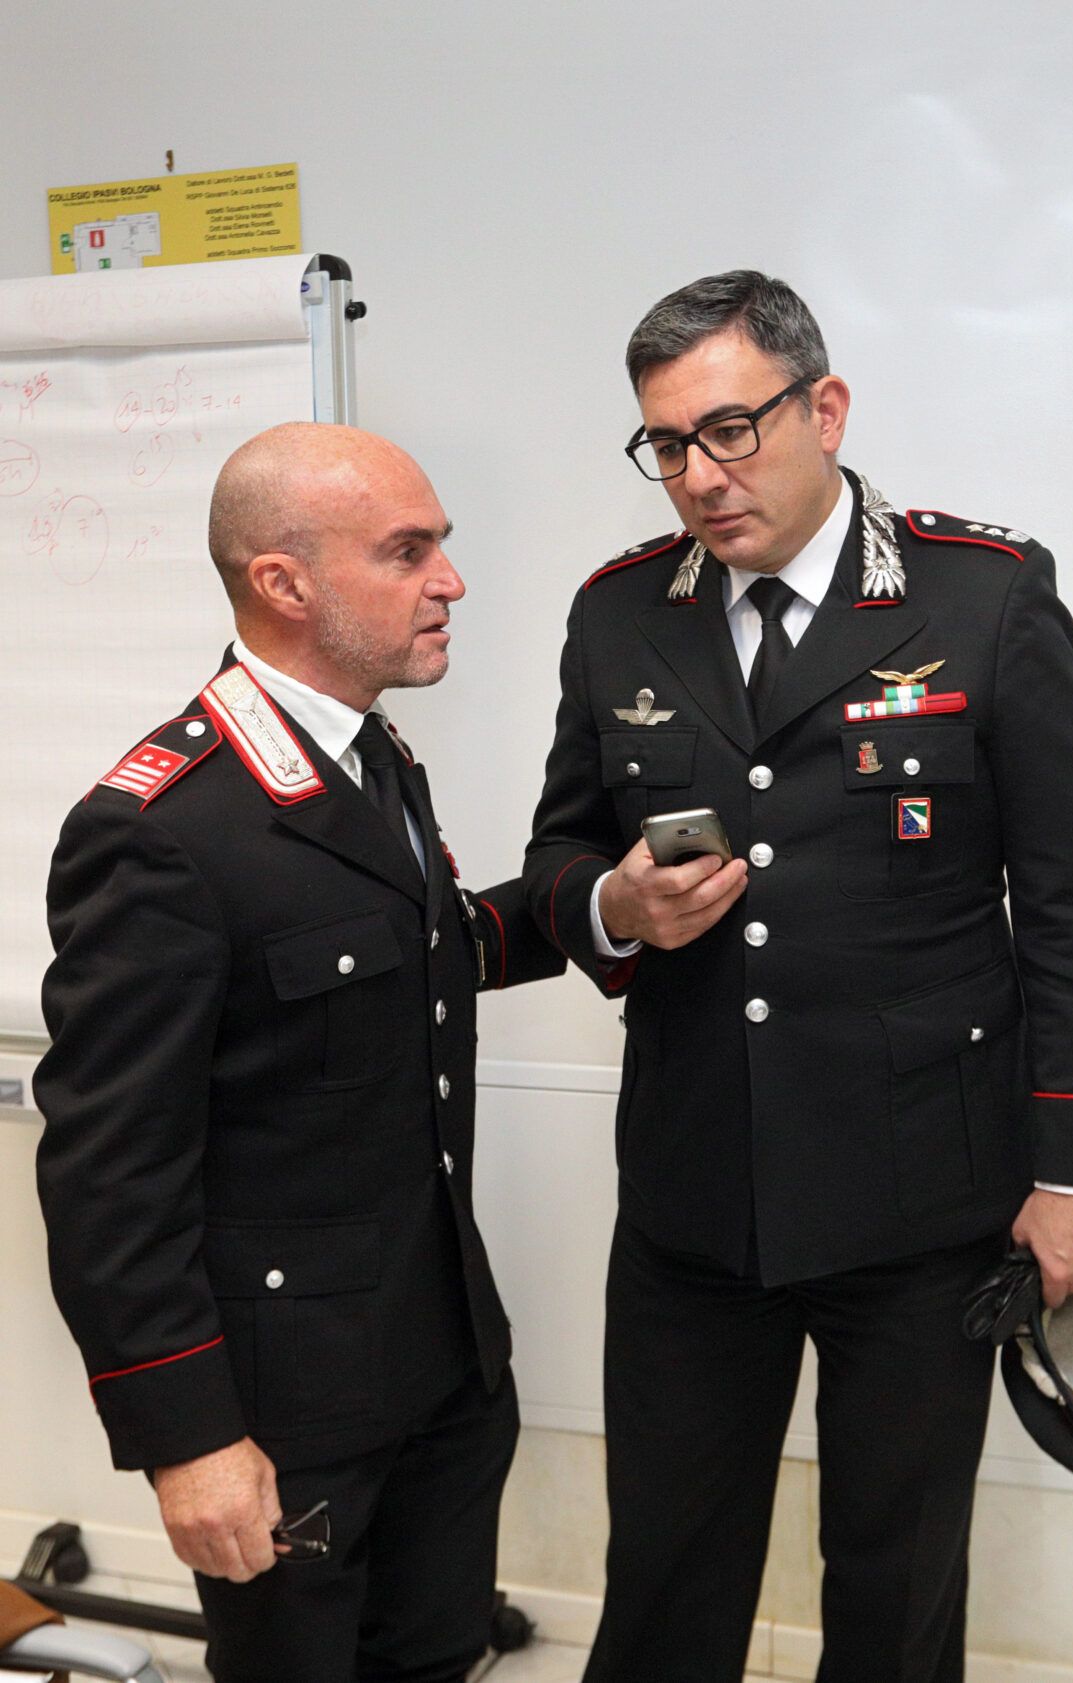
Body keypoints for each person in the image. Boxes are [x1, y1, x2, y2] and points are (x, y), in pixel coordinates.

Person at [522, 271, 1073, 1683]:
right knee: (666, 1581)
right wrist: (617, 902)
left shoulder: (980, 595)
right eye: (668, 444)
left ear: (825, 407)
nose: (700, 474)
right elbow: (561, 852)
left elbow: (1072, 905)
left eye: (732, 428)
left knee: (895, 1581)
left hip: (923, 1196)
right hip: (695, 1195)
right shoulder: (622, 613)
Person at [35, 422, 565, 1683]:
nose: (450, 581)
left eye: (441, 546)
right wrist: (187, 1438)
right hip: (286, 1417)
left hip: (436, 1364)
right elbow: (111, 1175)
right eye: (408, 551)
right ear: (284, 584)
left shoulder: (370, 757)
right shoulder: (165, 831)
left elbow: (405, 966)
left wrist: (597, 913)